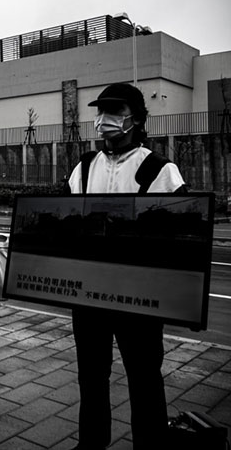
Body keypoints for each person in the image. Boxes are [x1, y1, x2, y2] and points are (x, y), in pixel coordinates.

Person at [67, 83, 186, 450]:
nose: (104, 119)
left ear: (135, 118)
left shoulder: (159, 170)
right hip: (90, 294)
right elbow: (69, 221)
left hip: (138, 298)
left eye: (114, 111)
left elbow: (179, 236)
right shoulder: (85, 167)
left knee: (144, 376)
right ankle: (91, 443)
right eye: (100, 111)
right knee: (91, 375)